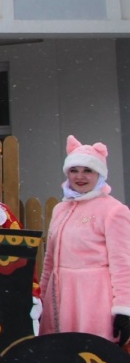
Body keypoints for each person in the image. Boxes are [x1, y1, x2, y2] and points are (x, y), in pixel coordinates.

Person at [40, 137, 130, 344]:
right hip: (60, 301)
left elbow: (123, 265)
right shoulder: (60, 209)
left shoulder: (114, 211)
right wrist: (42, 298)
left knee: (91, 362)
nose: (80, 177)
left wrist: (124, 310)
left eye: (87, 171)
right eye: (74, 170)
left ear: (100, 175)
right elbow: (49, 261)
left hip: (93, 302)